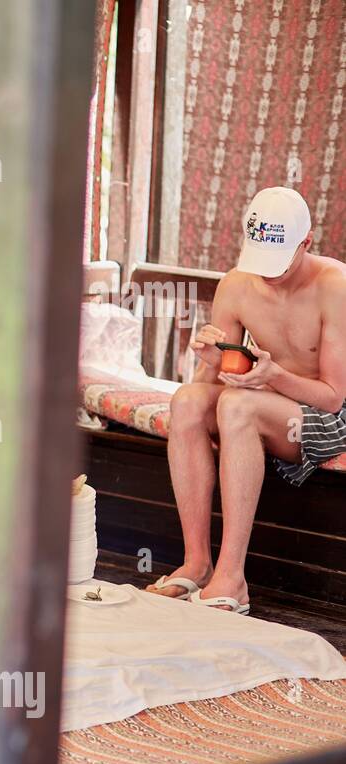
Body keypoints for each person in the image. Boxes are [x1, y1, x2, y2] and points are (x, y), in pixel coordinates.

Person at [147, 187, 346, 613]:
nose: (268, 274)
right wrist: (208, 361)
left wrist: (272, 375)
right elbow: (216, 382)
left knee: (237, 407)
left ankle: (231, 578)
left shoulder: (335, 286)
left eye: (279, 260)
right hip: (268, 402)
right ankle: (196, 562)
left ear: (306, 242)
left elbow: (332, 399)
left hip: (327, 416)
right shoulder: (237, 284)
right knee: (185, 400)